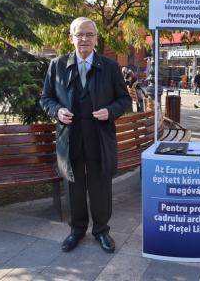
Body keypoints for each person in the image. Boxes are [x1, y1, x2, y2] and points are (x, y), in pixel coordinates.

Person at [40, 17, 132, 253]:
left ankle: (102, 231)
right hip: (70, 137)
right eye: (79, 34)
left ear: (96, 39)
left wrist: (110, 111)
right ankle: (77, 230)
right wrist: (57, 110)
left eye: (89, 34)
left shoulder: (110, 67)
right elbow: (46, 98)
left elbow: (124, 100)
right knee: (74, 186)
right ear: (71, 38)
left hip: (99, 137)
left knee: (100, 184)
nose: (84, 39)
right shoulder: (57, 66)